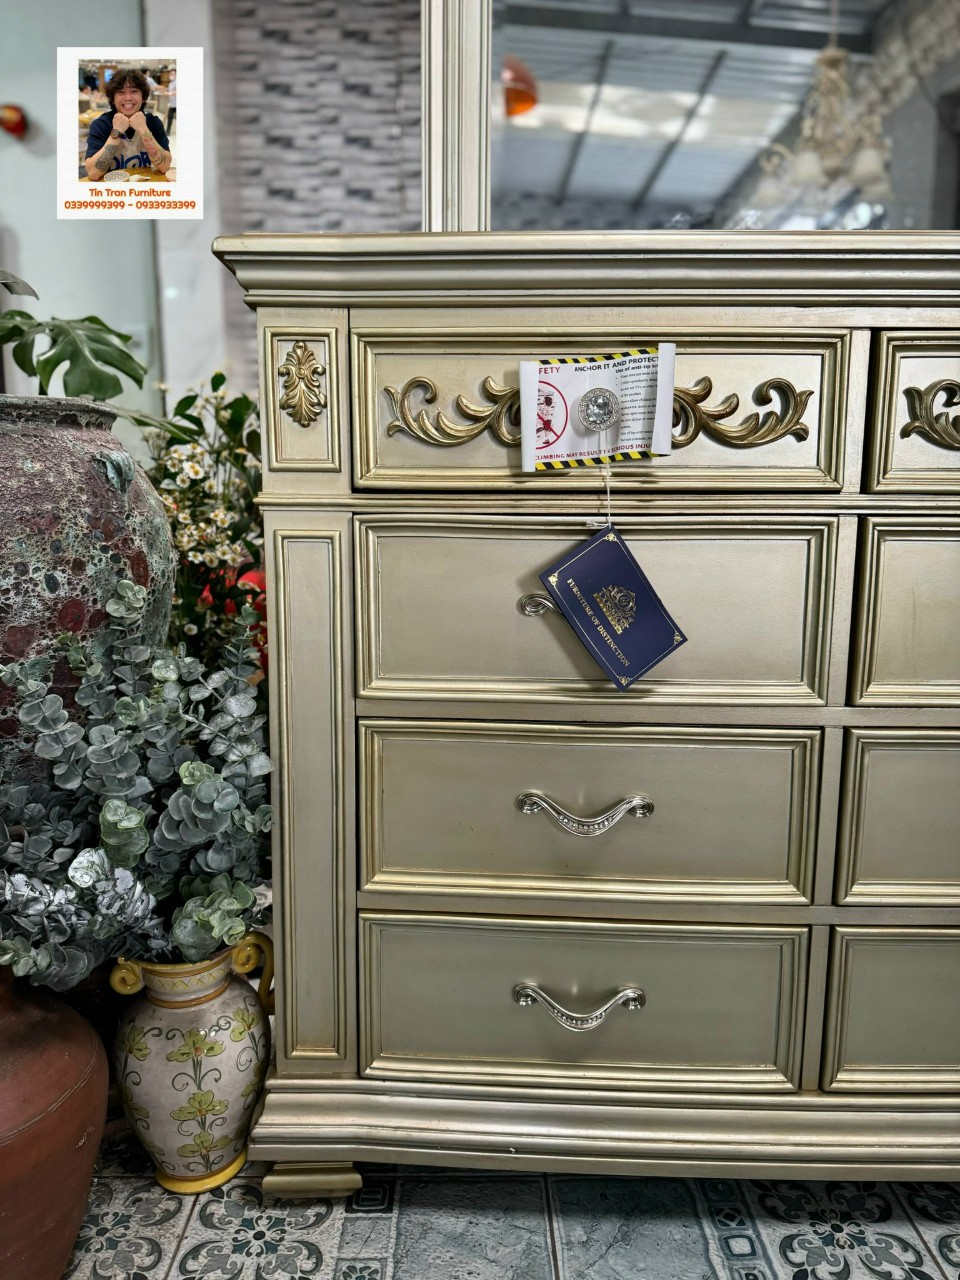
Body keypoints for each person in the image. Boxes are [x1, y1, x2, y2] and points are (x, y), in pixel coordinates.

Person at [84, 68, 171, 179]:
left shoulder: (153, 122)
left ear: (143, 97)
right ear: (113, 98)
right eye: (121, 92)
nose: (128, 98)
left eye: (134, 91)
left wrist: (143, 130)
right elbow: (93, 174)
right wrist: (116, 132)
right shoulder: (101, 125)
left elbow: (165, 167)